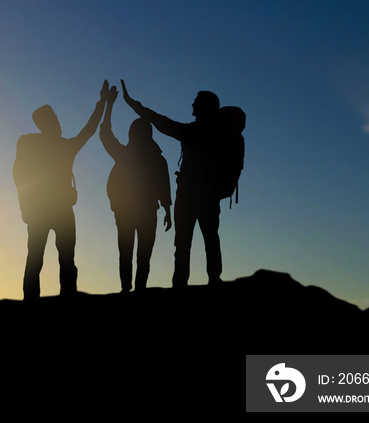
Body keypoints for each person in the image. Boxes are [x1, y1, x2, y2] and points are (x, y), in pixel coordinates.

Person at [120, 80, 225, 287]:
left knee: (185, 242)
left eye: (196, 102)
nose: (192, 105)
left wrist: (133, 104)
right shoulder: (218, 134)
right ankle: (213, 279)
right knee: (209, 238)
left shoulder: (193, 132)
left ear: (204, 106)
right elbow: (162, 122)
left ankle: (181, 283)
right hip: (208, 195)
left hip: (189, 195)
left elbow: (161, 122)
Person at [13, 81, 109, 300]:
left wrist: (102, 103)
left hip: (58, 210)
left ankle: (63, 299)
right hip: (44, 210)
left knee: (62, 258)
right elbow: (19, 175)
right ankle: (37, 302)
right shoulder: (33, 145)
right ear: (45, 123)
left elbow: (89, 130)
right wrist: (25, 206)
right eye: (54, 119)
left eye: (57, 118)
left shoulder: (63, 146)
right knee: (40, 259)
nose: (58, 122)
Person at [99, 85, 172, 293]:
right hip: (137, 211)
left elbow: (105, 135)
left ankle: (131, 289)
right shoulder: (151, 159)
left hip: (139, 211)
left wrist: (109, 105)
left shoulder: (132, 156)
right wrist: (167, 210)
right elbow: (106, 135)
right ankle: (131, 289)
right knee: (136, 254)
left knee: (133, 253)